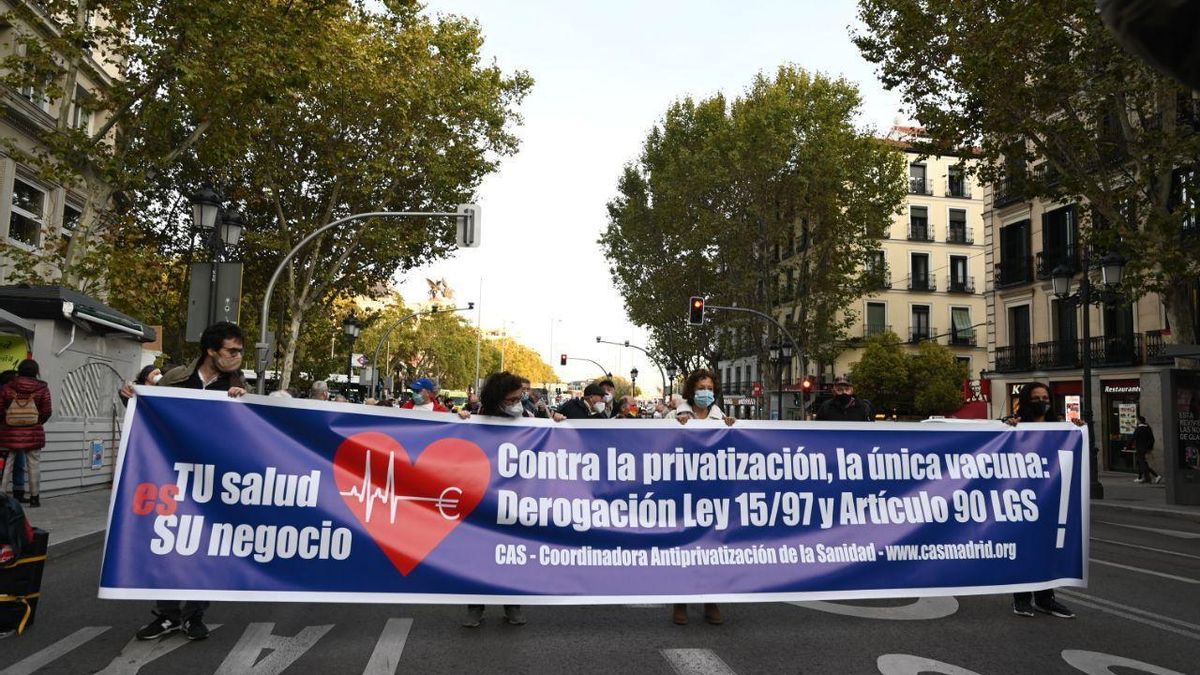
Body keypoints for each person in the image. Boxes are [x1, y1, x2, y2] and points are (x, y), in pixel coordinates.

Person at [134, 321, 248, 642]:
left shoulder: (238, 386)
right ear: (211, 350)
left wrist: (244, 405)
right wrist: (131, 396)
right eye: (231, 351)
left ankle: (195, 614)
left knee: (205, 549)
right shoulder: (176, 379)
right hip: (171, 477)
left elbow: (248, 434)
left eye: (240, 351)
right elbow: (148, 413)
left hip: (213, 482)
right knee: (169, 545)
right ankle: (168, 614)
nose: (237, 357)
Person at [1003, 382, 1080, 620]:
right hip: (1022, 498)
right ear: (1027, 401)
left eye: (1045, 397)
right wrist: (1007, 426)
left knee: (1046, 549)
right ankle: (1021, 599)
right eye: (1036, 398)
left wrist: (1079, 431)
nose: (1041, 402)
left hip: (1049, 498)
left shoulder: (1060, 428)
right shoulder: (1014, 426)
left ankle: (1046, 599)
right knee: (1024, 549)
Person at [462, 371, 529, 628]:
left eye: (519, 398)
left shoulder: (530, 421)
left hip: (514, 500)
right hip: (481, 499)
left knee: (510, 555)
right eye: (511, 400)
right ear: (497, 399)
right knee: (478, 556)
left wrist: (557, 422)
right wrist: (460, 421)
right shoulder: (475, 419)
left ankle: (512, 604)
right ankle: (475, 606)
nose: (517, 404)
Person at [671, 369, 734, 627]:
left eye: (709, 388)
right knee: (685, 546)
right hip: (683, 491)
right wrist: (676, 426)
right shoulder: (675, 416)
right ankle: (680, 601)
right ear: (691, 391)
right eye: (700, 388)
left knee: (712, 548)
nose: (705, 392)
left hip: (712, 493)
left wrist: (732, 429)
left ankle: (711, 600)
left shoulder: (721, 417)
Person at [0, 361, 51, 507]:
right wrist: (37, 422)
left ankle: (1, 497)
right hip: (33, 432)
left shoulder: (8, 387)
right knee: (33, 465)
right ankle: (34, 498)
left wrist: (7, 421)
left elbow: (0, 408)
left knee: (6, 464)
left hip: (9, 432)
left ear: (19, 370)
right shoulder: (42, 388)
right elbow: (47, 411)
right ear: (36, 371)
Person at [1133, 415, 1161, 484]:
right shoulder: (1148, 428)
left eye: (1137, 420)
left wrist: (1127, 446)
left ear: (1139, 421)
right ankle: (1142, 477)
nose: (1137, 421)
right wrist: (1150, 448)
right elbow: (1152, 439)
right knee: (1141, 462)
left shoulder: (1139, 428)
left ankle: (1156, 476)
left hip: (1140, 448)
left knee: (1142, 463)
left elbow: (1133, 437)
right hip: (1146, 448)